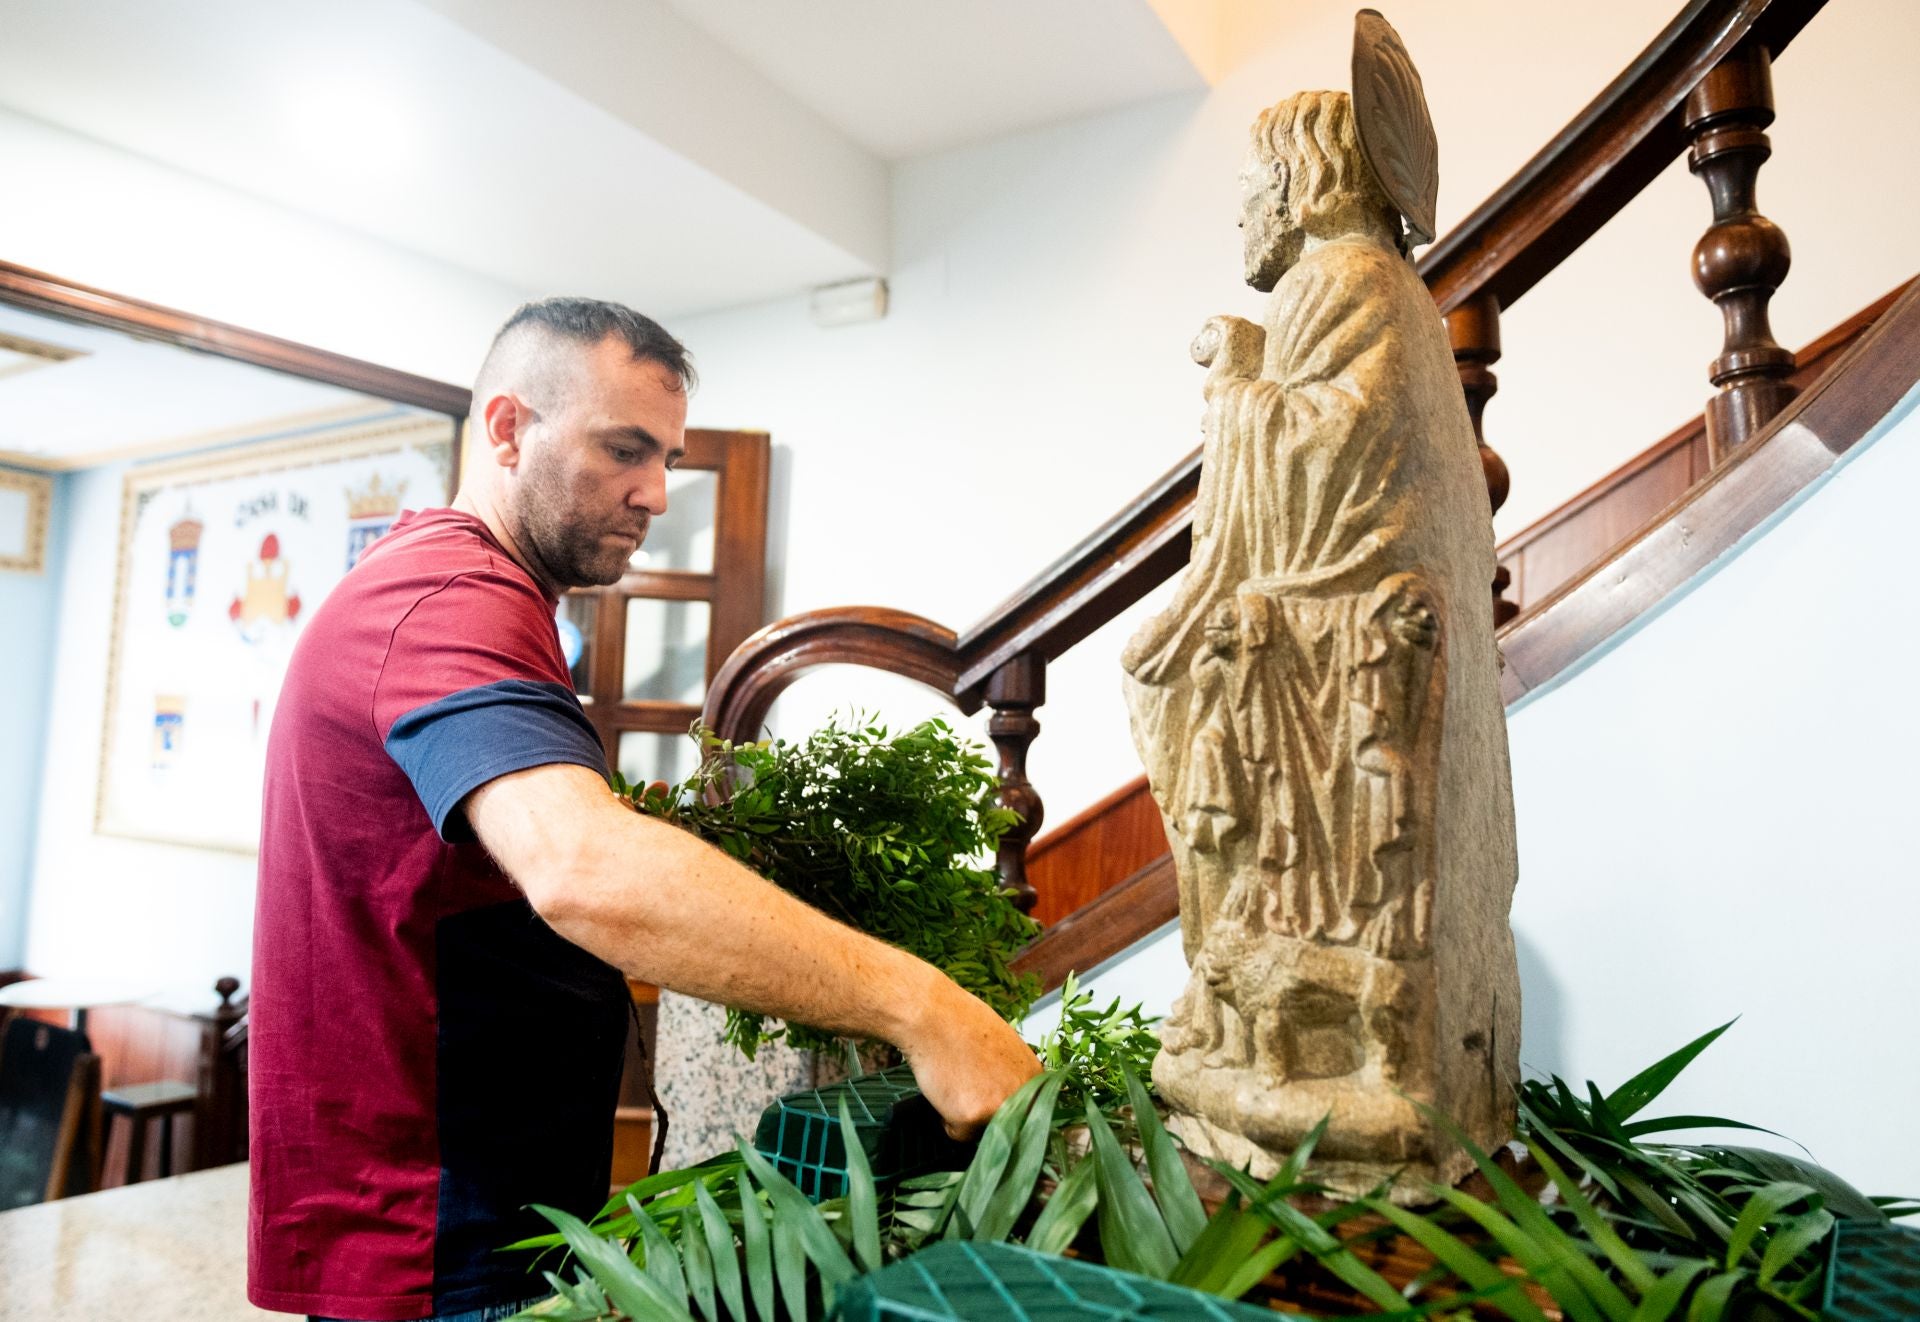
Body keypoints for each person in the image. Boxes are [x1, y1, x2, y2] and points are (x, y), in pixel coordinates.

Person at [248, 298, 1039, 1322]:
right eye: (625, 449)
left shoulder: (467, 590)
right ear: (506, 427)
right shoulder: (450, 597)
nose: (656, 491)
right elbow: (581, 866)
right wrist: (921, 1005)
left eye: (666, 455)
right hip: (438, 1222)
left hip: (479, 1194)